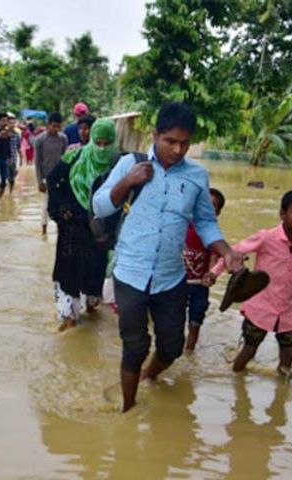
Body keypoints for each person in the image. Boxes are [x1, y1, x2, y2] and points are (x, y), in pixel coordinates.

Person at [92, 102, 244, 412]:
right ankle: (128, 410)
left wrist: (226, 252)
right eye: (170, 141)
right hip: (130, 274)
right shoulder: (129, 164)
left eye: (184, 143)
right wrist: (128, 181)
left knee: (173, 346)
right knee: (134, 346)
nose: (177, 150)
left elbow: (204, 222)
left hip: (171, 277)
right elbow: (99, 206)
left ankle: (148, 376)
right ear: (155, 135)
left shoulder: (197, 177)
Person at [206, 190, 292, 376]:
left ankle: (282, 390)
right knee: (249, 349)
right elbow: (233, 252)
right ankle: (235, 380)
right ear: (283, 214)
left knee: (288, 350)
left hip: (288, 308)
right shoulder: (267, 238)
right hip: (261, 306)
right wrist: (213, 272)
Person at [48, 119, 117, 331]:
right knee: (69, 272)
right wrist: (59, 211)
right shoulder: (74, 156)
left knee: (94, 273)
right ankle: (69, 317)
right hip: (71, 227)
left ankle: (90, 305)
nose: (102, 149)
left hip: (99, 231)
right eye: (98, 143)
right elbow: (52, 180)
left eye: (107, 143)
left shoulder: (118, 164)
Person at [182, 188, 226, 351]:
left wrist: (211, 275)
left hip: (199, 285)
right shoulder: (182, 226)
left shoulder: (213, 235)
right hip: (178, 283)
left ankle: (189, 351)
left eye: (213, 206)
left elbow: (214, 257)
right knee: (174, 318)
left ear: (218, 213)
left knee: (195, 320)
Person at [34, 112, 68, 235]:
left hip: (60, 177)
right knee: (46, 205)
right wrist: (39, 182)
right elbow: (37, 162)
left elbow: (65, 158)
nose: (56, 129)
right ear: (48, 125)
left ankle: (60, 229)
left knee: (61, 203)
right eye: (54, 126)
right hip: (46, 177)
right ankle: (44, 229)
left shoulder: (63, 138)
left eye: (58, 127)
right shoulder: (40, 140)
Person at [7, 114, 23, 193]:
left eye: (13, 123)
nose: (12, 125)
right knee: (5, 177)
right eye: (10, 123)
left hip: (13, 159)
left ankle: (10, 191)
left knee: (12, 178)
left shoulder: (17, 135)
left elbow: (19, 148)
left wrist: (21, 159)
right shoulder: (4, 134)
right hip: (5, 159)